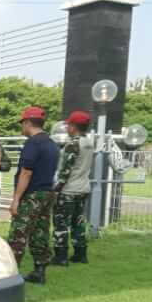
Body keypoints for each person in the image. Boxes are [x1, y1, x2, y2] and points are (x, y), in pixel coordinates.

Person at [7, 106, 59, 284]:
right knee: (40, 232)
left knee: (18, 234)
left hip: (32, 195)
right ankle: (39, 271)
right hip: (47, 193)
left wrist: (16, 200)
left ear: (28, 122)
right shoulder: (51, 143)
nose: (22, 127)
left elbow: (26, 173)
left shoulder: (33, 143)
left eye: (22, 123)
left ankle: (9, 275)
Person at [51, 111, 94, 266]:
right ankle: (80, 254)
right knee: (78, 222)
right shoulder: (88, 143)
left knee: (61, 224)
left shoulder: (72, 144)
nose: (67, 128)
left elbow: (65, 172)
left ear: (74, 126)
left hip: (68, 190)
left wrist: (56, 190)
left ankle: (61, 257)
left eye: (69, 125)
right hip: (83, 188)